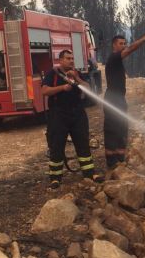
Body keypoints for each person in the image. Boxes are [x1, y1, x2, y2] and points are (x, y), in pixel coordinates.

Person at [42, 49, 102, 189]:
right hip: (58, 115)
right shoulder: (53, 74)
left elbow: (88, 88)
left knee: (83, 144)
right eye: (68, 58)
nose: (71, 61)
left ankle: (89, 173)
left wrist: (77, 78)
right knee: (57, 146)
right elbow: (44, 91)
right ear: (60, 60)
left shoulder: (76, 73)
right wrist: (62, 87)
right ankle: (55, 178)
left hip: (77, 114)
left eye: (72, 58)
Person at [104, 29, 145, 168]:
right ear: (114, 45)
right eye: (121, 43)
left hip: (119, 98)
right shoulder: (114, 58)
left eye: (124, 43)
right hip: (112, 99)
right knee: (111, 128)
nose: (123, 46)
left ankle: (120, 158)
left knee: (122, 126)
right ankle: (111, 162)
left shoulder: (117, 61)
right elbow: (131, 49)